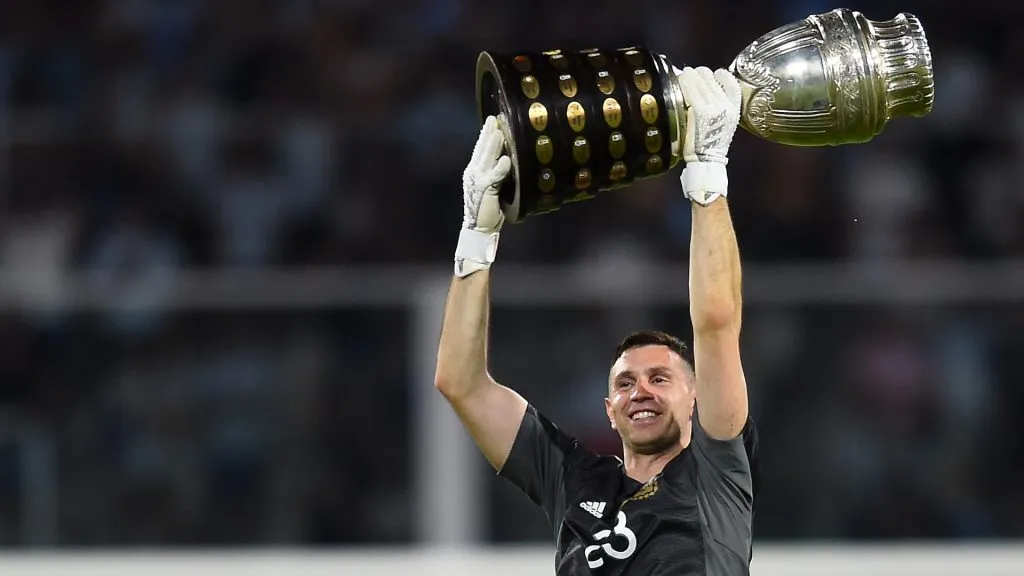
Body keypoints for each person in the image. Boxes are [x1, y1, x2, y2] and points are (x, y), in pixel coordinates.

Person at [433, 66, 759, 575]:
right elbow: (460, 383)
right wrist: (475, 239)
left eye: (660, 378)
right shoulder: (574, 481)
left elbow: (716, 323)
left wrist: (708, 173)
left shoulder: (717, 471)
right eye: (626, 383)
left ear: (697, 399)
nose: (641, 391)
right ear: (609, 409)